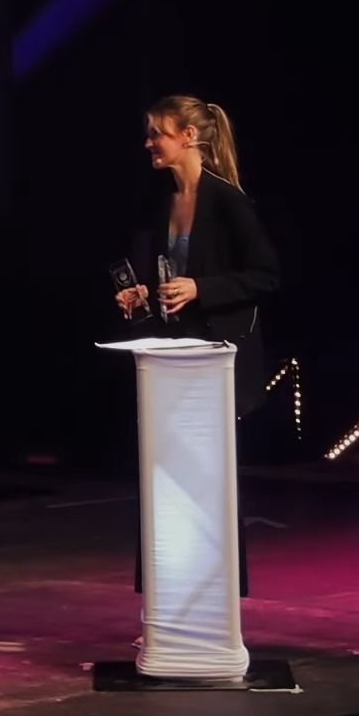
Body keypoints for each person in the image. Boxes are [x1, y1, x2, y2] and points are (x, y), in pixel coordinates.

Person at [114, 96, 278, 606]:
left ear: (188, 136)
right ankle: (171, 590)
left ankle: (218, 591)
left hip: (218, 361)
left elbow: (265, 276)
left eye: (156, 133)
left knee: (211, 479)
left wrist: (201, 288)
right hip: (174, 358)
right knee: (164, 476)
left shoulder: (228, 200)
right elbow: (166, 280)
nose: (148, 143)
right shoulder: (162, 203)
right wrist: (143, 295)